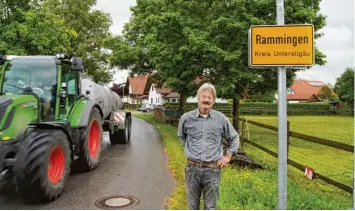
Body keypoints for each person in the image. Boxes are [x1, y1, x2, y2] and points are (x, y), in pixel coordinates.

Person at [178, 83, 240, 210]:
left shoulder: (221, 119)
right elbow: (182, 137)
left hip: (212, 170)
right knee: (192, 207)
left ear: (213, 100)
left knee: (211, 207)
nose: (206, 100)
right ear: (198, 98)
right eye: (203, 97)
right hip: (192, 169)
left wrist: (228, 156)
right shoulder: (186, 118)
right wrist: (190, 149)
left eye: (209, 97)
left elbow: (234, 137)